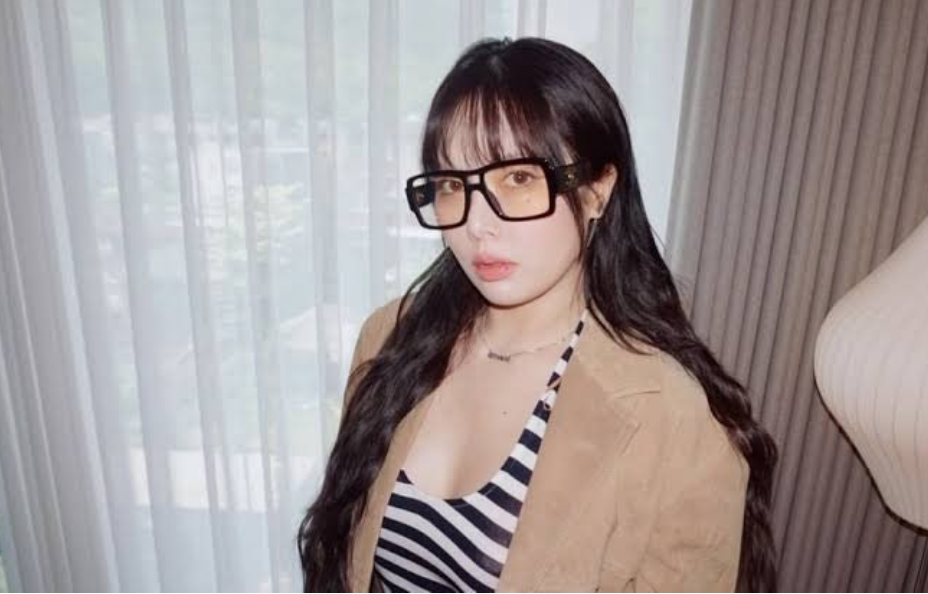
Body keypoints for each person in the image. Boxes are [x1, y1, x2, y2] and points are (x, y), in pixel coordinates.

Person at [298, 37, 777, 593]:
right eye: (453, 185)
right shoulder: (391, 336)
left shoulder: (675, 421)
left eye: (519, 178)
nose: (478, 225)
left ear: (598, 189)